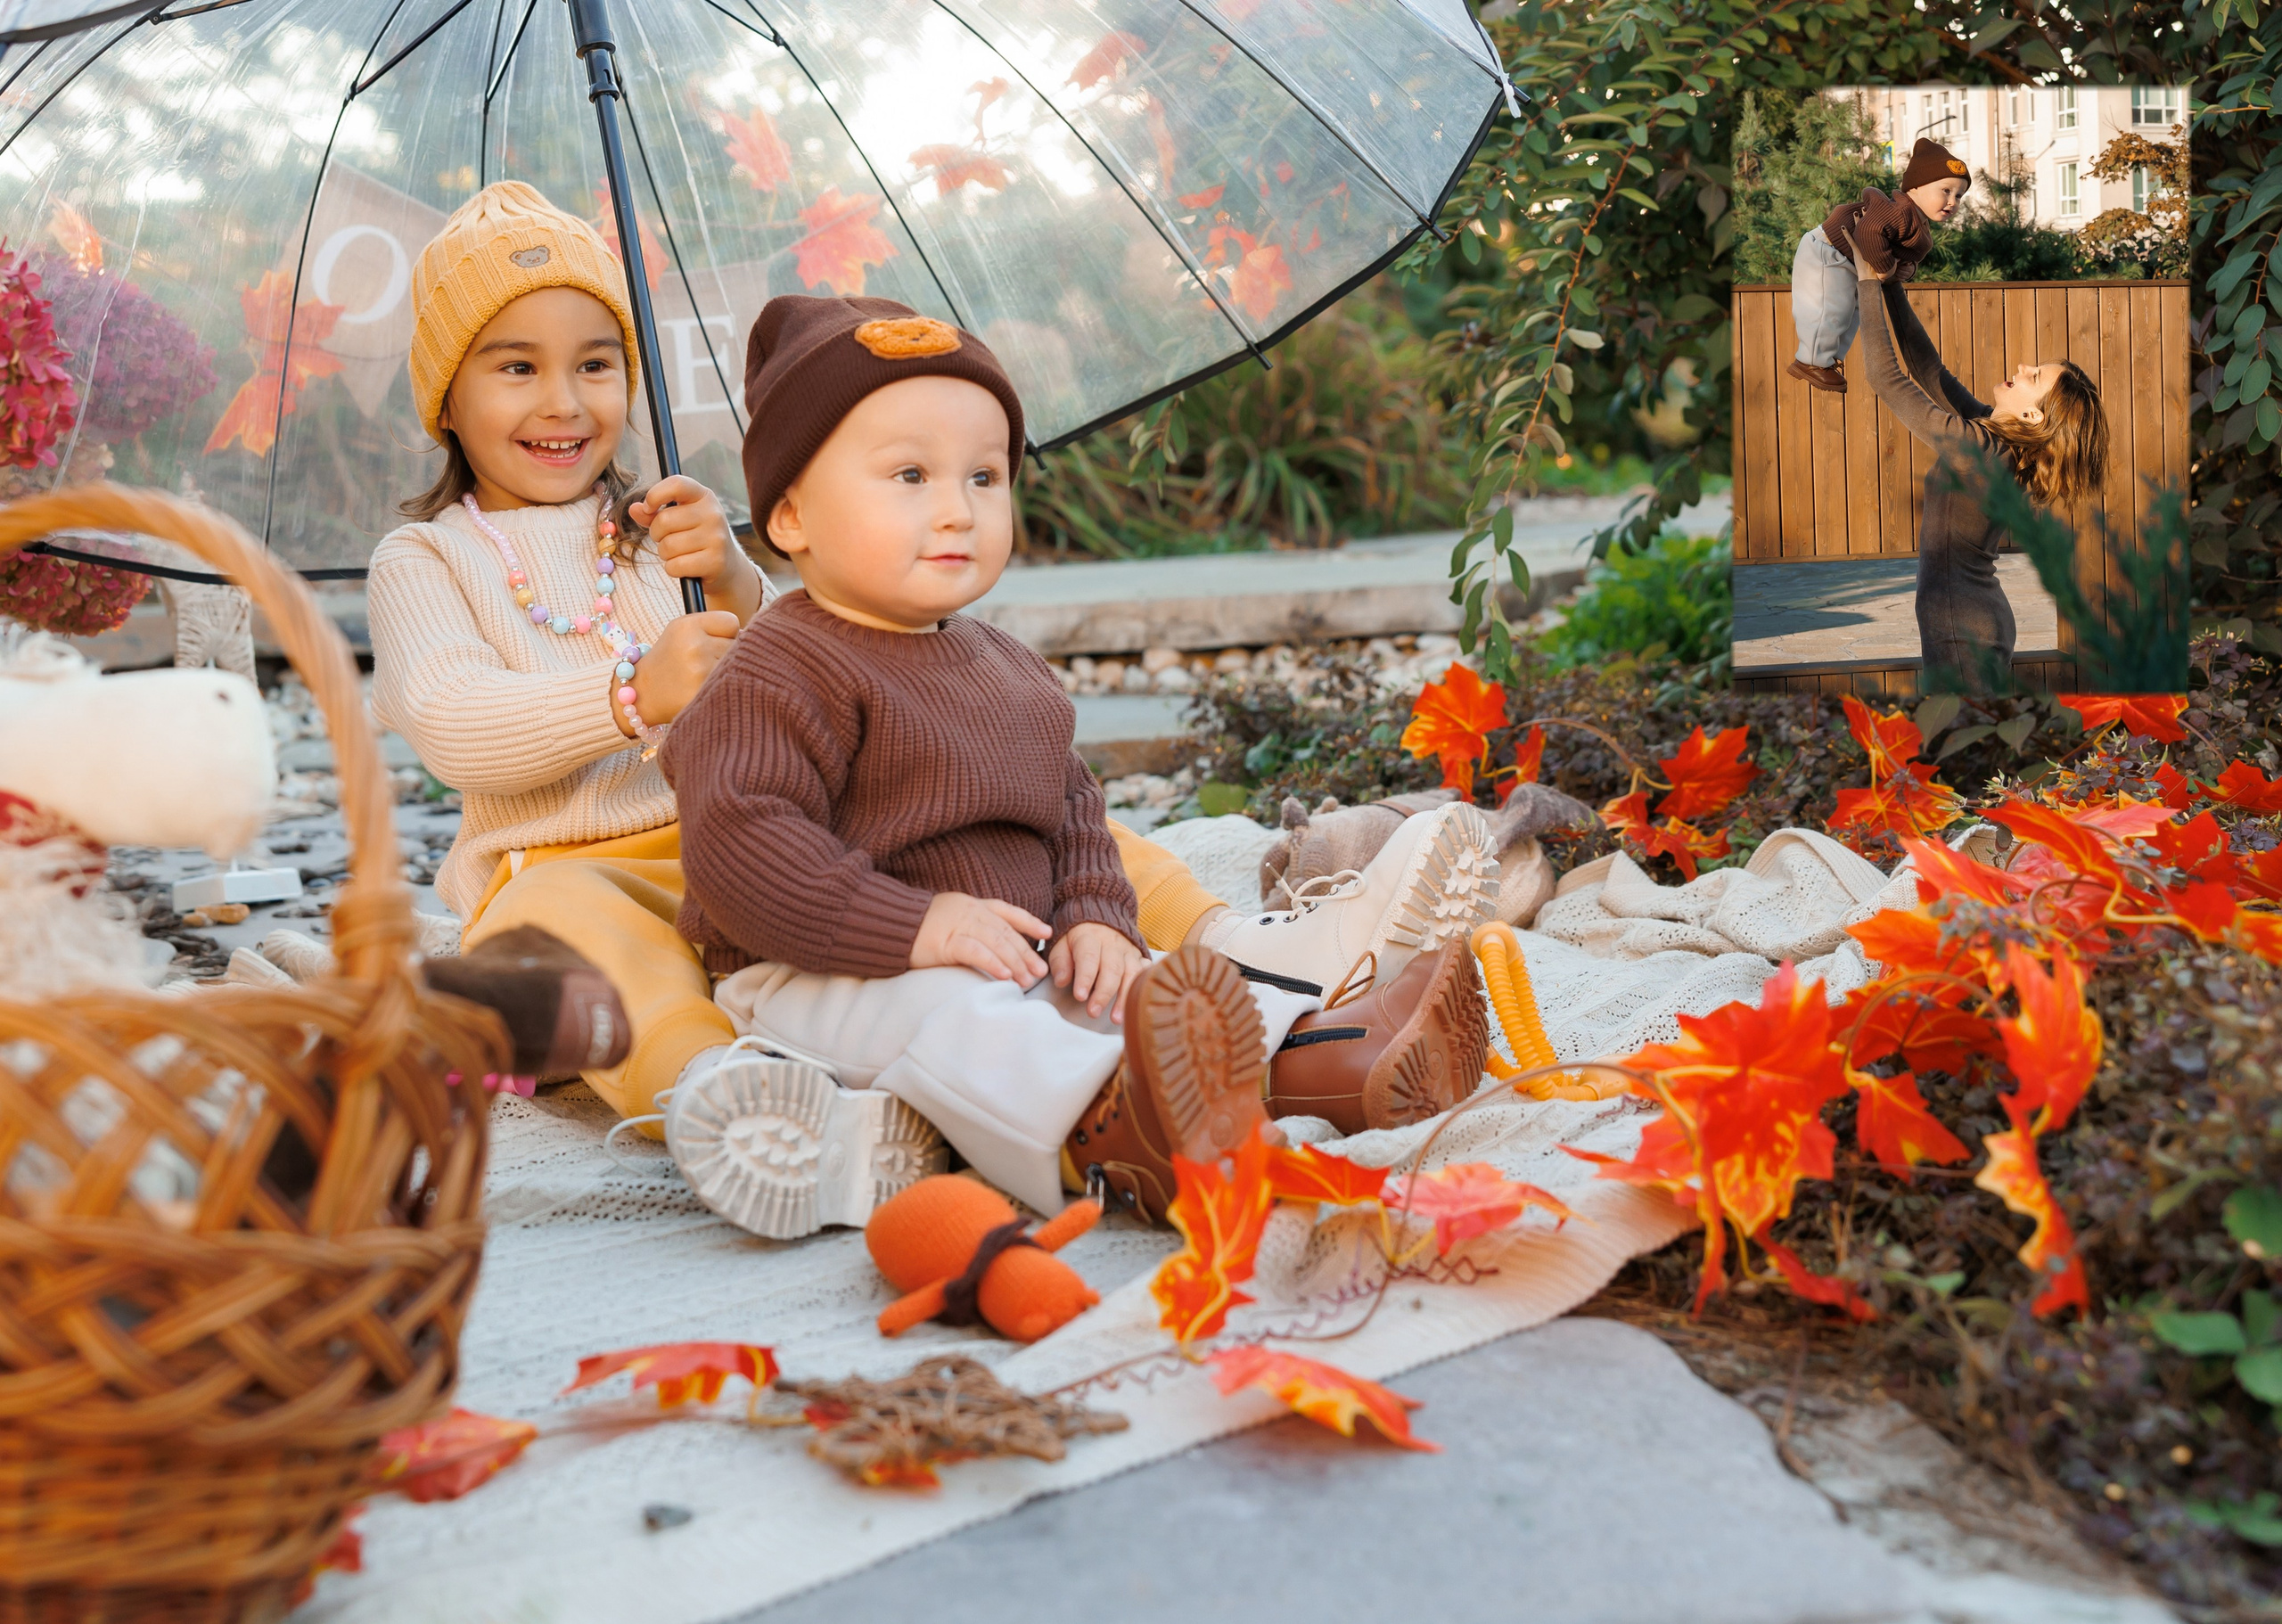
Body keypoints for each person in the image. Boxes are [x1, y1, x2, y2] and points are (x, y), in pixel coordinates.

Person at [661, 296, 1496, 1236]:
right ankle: (1116, 1132)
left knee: (1143, 989)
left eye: (984, 476)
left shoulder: (1005, 663)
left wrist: (1097, 918)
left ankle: (1326, 1061)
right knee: (964, 1022)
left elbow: (1073, 813)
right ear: (788, 516)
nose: (956, 508)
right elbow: (743, 850)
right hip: (823, 972)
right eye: (909, 474)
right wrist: (914, 925)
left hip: (1012, 949)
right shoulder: (774, 669)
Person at [368, 182, 766, 1123]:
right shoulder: (426, 558)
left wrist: (742, 585)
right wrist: (632, 692)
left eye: (595, 365)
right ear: (447, 403)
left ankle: (1076, 993)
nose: (564, 403)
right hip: (555, 875)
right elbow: (452, 720)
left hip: (731, 842)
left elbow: (804, 683)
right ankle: (726, 1096)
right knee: (577, 952)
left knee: (911, 835)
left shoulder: (661, 531)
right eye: (516, 369)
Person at [1843, 225, 2109, 691]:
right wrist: (1892, 288)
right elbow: (1930, 372)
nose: (2023, 367)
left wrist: (1866, 284)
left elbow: (1888, 379)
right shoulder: (1994, 438)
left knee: (1968, 752)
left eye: (2035, 376)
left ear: (2032, 413)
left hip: (1961, 628)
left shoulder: (1983, 450)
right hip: (1972, 621)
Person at [1787, 137, 1971, 394]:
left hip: (1848, 263)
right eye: (1946, 191)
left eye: (1959, 195)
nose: (1953, 201)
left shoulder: (1920, 228)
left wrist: (1906, 270)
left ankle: (1828, 362)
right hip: (1827, 249)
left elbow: (1905, 258)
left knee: (1854, 313)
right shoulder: (1898, 211)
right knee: (1830, 309)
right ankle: (1811, 361)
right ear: (1915, 188)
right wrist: (1885, 268)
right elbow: (1870, 231)